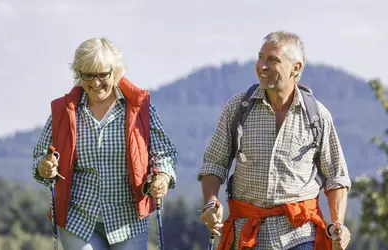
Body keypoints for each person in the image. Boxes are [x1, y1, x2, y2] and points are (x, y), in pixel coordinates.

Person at [197, 31, 352, 250]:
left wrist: (338, 224)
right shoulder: (238, 108)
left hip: (300, 236)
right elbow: (214, 163)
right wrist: (211, 201)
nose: (262, 66)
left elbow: (336, 177)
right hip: (247, 234)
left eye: (273, 60)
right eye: (261, 58)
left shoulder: (317, 115)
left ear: (296, 68)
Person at [31, 37, 178, 250]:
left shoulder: (139, 109)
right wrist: (44, 166)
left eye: (102, 74)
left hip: (128, 222)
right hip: (78, 220)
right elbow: (40, 155)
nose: (96, 82)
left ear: (116, 73)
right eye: (88, 75)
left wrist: (163, 177)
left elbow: (165, 153)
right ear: (78, 74)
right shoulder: (64, 111)